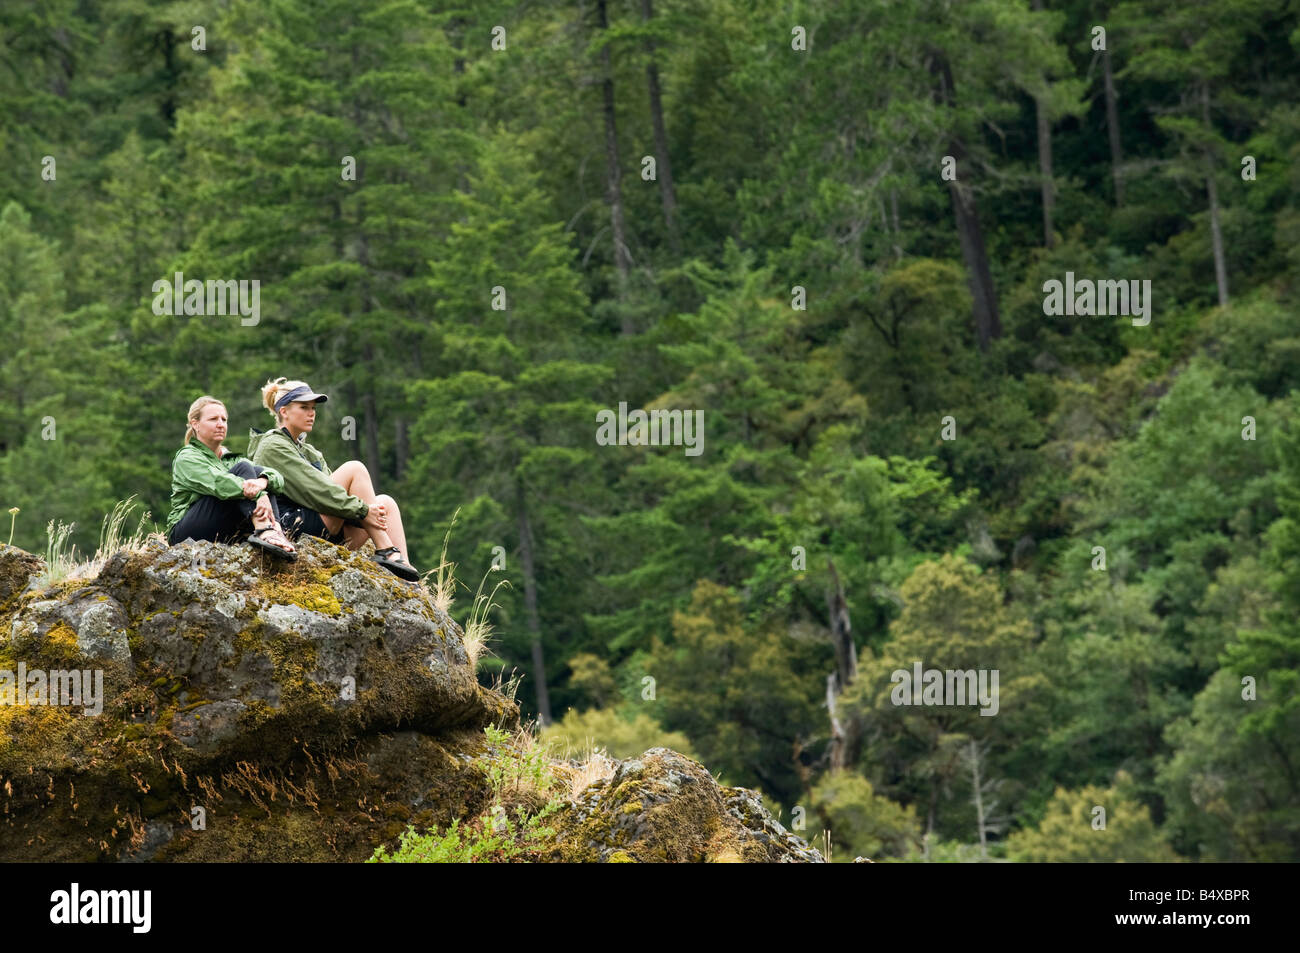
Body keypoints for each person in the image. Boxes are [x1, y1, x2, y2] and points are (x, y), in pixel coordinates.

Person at [247, 377, 420, 582]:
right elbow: (318, 491)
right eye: (304, 407)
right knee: (355, 468)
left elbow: (331, 494)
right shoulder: (272, 446)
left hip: (323, 525)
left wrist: (365, 511)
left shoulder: (309, 451)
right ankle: (386, 549)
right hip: (293, 527)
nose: (311, 413)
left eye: (313, 408)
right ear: (283, 411)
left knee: (386, 503)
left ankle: (405, 574)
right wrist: (364, 511)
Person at [166, 396, 297, 559]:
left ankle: (274, 530)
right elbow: (219, 484)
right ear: (195, 424)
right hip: (186, 534)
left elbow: (278, 478)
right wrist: (259, 494)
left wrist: (262, 482)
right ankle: (265, 529)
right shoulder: (187, 457)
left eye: (224, 419)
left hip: (221, 528)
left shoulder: (231, 459)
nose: (220, 424)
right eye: (213, 419)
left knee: (255, 471)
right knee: (244, 469)